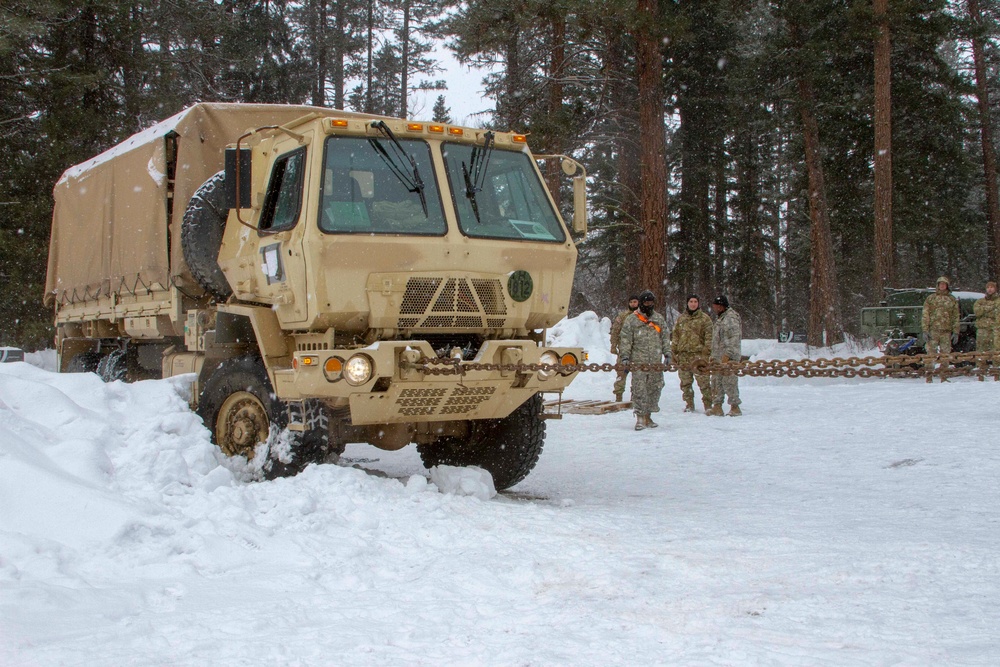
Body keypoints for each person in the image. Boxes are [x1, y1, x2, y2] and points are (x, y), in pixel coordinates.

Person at [618, 290, 671, 431]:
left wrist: (667, 354)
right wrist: (625, 357)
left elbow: (665, 337)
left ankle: (648, 415)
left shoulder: (658, 319)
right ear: (641, 303)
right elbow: (625, 339)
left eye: (651, 302)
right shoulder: (632, 320)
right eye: (646, 302)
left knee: (655, 388)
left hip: (655, 361)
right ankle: (640, 417)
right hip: (638, 361)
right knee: (639, 390)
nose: (649, 305)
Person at [670, 294, 714, 413]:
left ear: (698, 303)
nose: (693, 304)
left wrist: (706, 354)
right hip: (683, 356)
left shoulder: (705, 319)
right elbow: (676, 336)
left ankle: (708, 405)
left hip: (698, 356)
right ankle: (689, 404)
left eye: (695, 301)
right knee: (685, 383)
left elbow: (709, 338)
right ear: (687, 303)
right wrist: (673, 352)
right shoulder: (681, 319)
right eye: (691, 301)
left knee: (704, 382)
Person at [921, 276, 960, 383]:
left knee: (945, 354)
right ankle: (929, 376)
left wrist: (956, 331)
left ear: (947, 286)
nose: (942, 286)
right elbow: (925, 315)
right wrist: (925, 330)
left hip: (946, 331)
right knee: (931, 353)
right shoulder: (931, 298)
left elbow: (956, 316)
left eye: (944, 284)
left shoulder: (952, 299)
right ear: (937, 285)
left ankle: (944, 376)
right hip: (933, 330)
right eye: (940, 284)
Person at [708, 295, 742, 416]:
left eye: (716, 306)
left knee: (729, 381)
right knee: (716, 381)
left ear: (722, 306)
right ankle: (717, 406)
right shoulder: (721, 318)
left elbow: (734, 338)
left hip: (728, 357)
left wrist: (728, 354)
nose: (715, 308)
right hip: (718, 356)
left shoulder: (730, 318)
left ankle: (735, 406)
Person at [610, 295, 640, 402]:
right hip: (624, 350)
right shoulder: (622, 316)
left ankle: (635, 397)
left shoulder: (642, 316)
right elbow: (615, 332)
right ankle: (619, 396)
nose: (633, 304)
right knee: (621, 374)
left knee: (637, 376)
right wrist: (613, 345)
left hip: (638, 351)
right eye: (631, 302)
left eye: (635, 302)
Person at [973, 281, 999, 353]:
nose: (989, 289)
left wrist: (984, 310)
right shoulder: (979, 301)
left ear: (995, 289)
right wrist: (990, 308)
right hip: (982, 330)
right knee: (980, 353)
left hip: (995, 330)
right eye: (988, 287)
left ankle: (996, 365)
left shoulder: (998, 301)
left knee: (996, 352)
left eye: (991, 287)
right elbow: (977, 312)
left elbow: (997, 314)